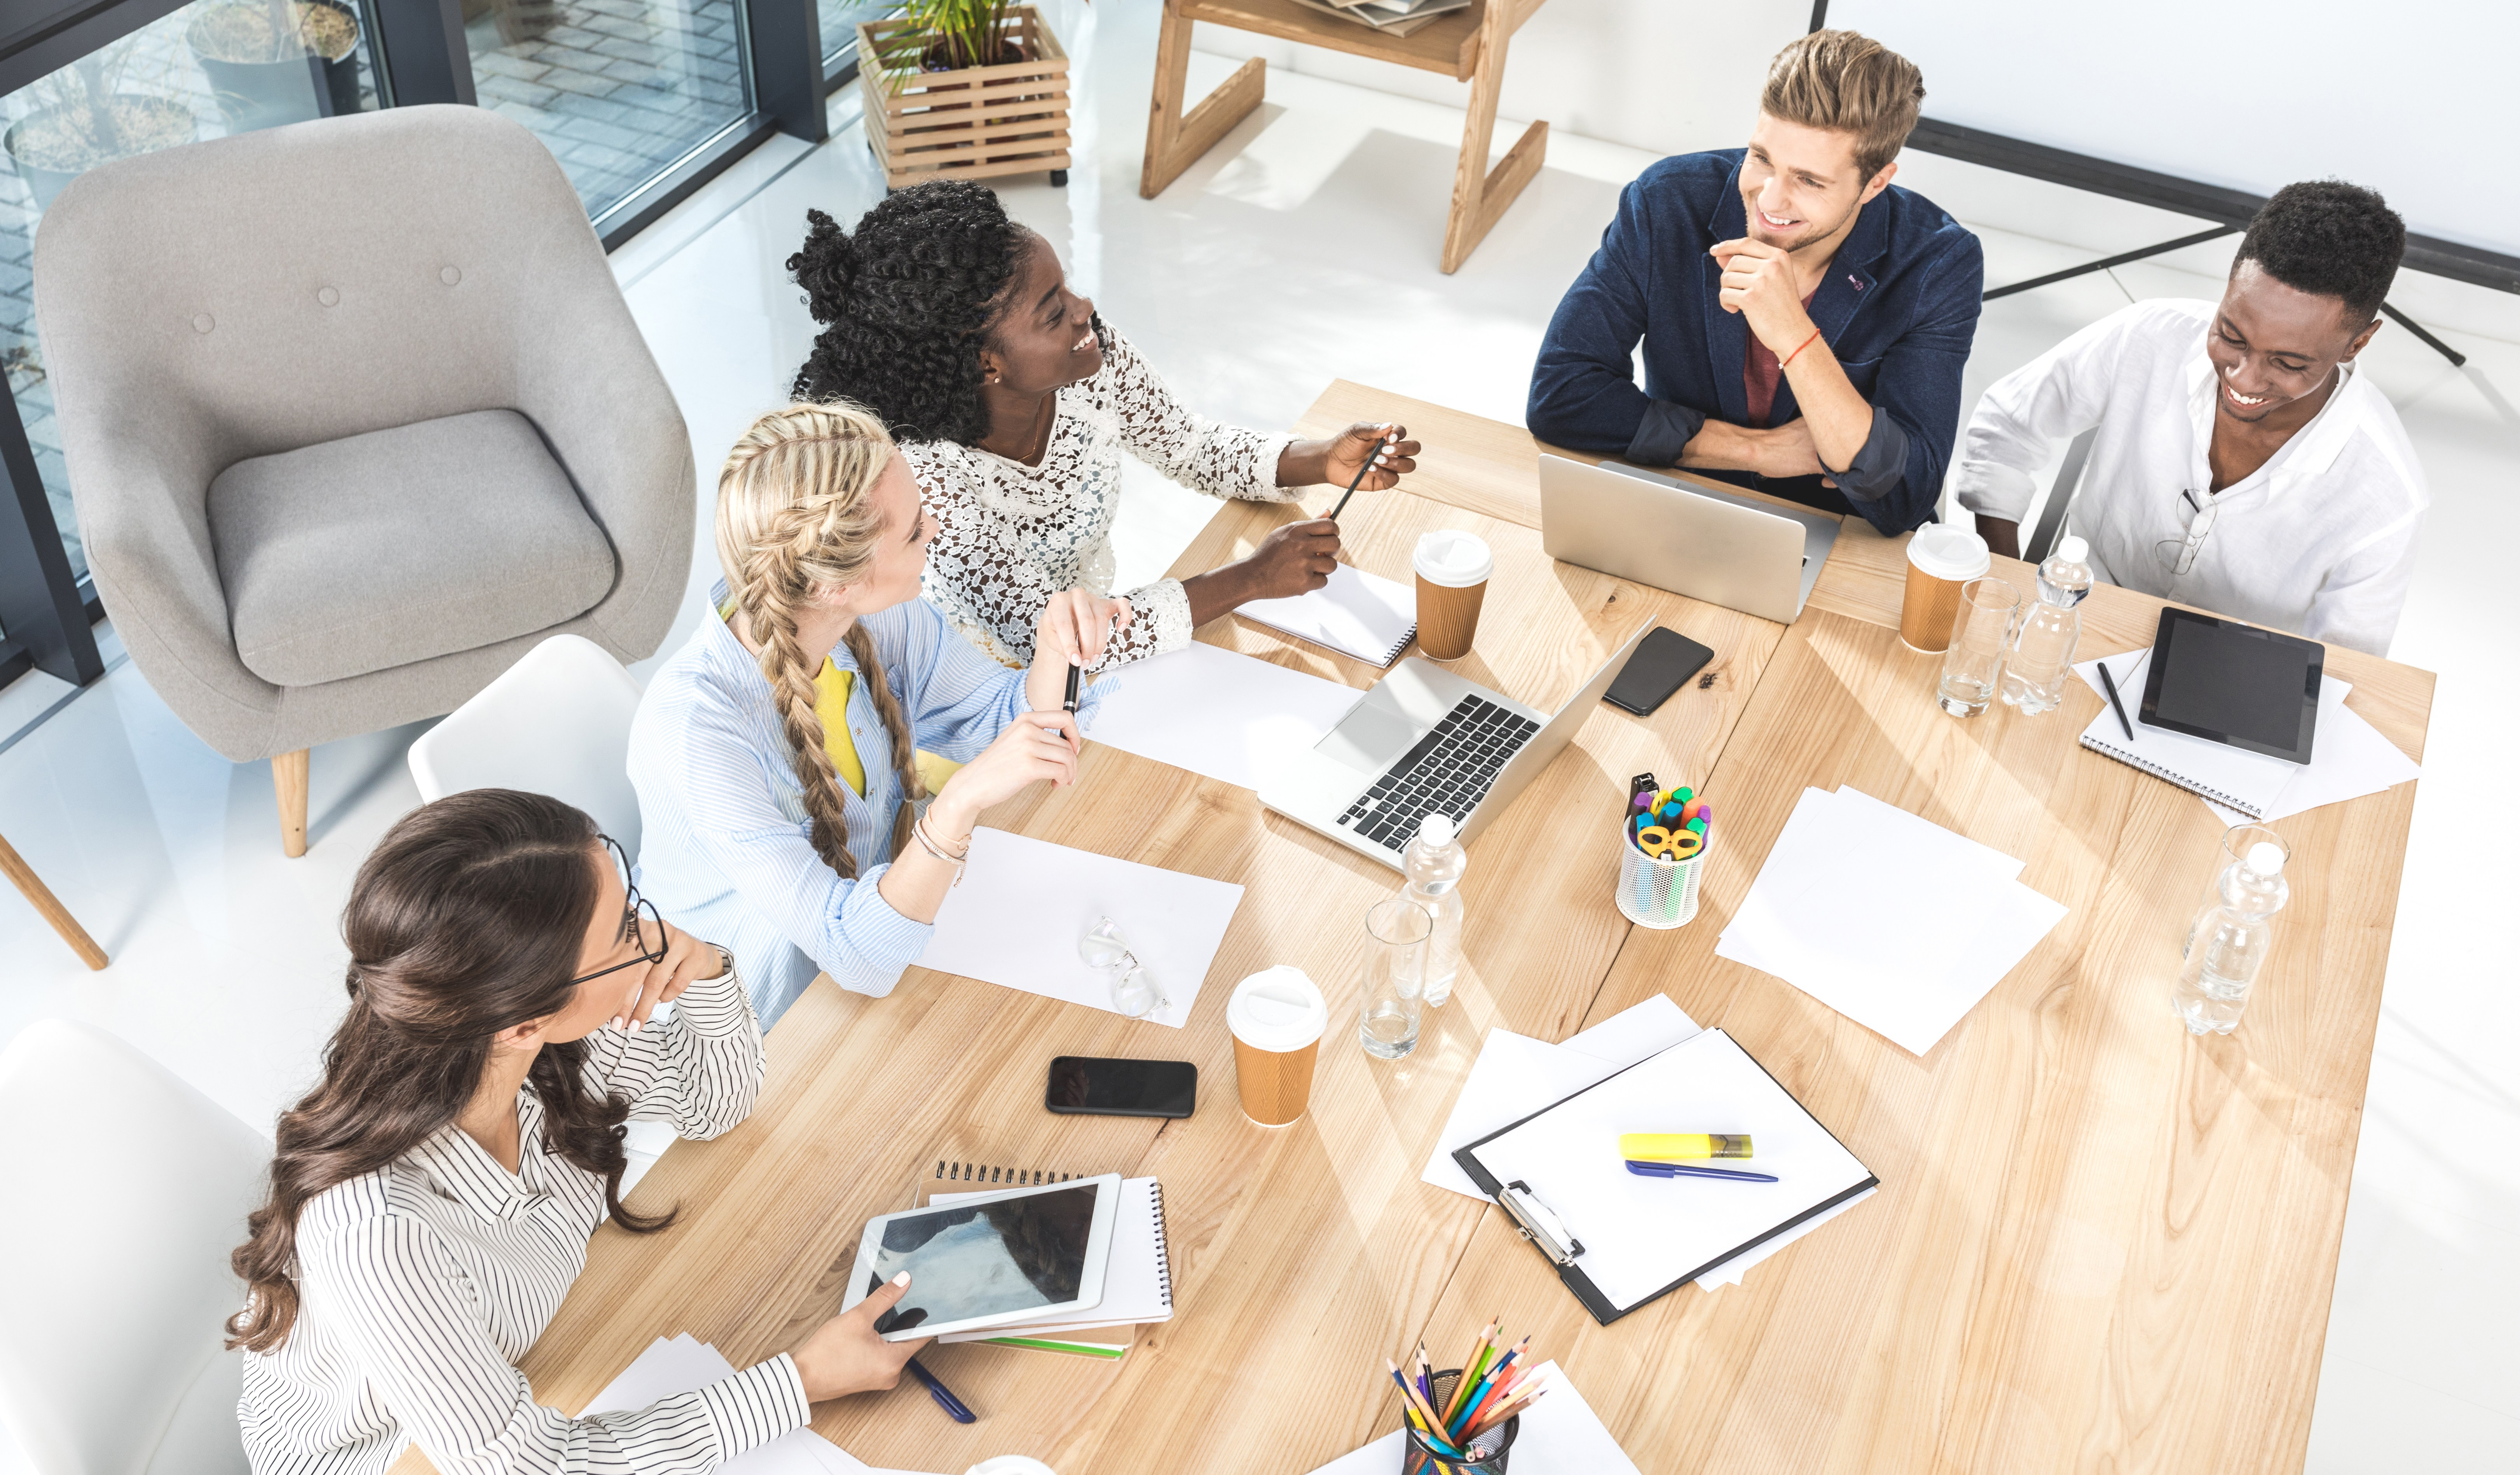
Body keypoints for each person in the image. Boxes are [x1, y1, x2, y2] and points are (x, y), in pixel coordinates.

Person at [231, 789, 928, 1473]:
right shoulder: (377, 1230)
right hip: (394, 1455)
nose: (646, 934)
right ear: (524, 1018)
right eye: (624, 930)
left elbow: (717, 1101)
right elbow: (533, 1468)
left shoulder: (536, 1050)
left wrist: (705, 967)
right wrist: (797, 1381)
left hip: (540, 1359)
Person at [785, 180, 1421, 669]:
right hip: (983, 690)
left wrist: (1321, 458)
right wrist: (1247, 579)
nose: (1084, 310)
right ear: (987, 363)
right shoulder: (928, 478)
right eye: (1052, 310)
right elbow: (1044, 635)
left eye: (1068, 291)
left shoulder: (1089, 358)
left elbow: (1189, 446)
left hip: (1099, 645)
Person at [630, 400, 1121, 1024]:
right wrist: (955, 807)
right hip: (761, 1027)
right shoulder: (694, 731)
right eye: (915, 531)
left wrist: (1056, 647)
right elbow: (853, 954)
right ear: (839, 582)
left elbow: (1002, 722)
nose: (934, 532)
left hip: (886, 949)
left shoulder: (871, 612)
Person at [1526, 29, 1982, 535]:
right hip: (1681, 506)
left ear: (1875, 183)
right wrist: (1756, 451)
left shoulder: (1938, 262)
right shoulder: (1667, 202)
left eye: (1808, 181)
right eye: (1762, 158)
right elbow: (1561, 397)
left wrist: (1795, 335)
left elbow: (1906, 495)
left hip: (1835, 534)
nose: (1769, 200)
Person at [1954, 182, 2426, 657]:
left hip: (2231, 677)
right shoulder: (2150, 335)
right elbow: (2008, 422)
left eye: (2287, 363)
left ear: (2356, 345)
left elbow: (2345, 670)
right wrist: (2002, 583)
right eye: (2231, 335)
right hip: (2080, 620)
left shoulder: (2386, 499)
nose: (2243, 377)